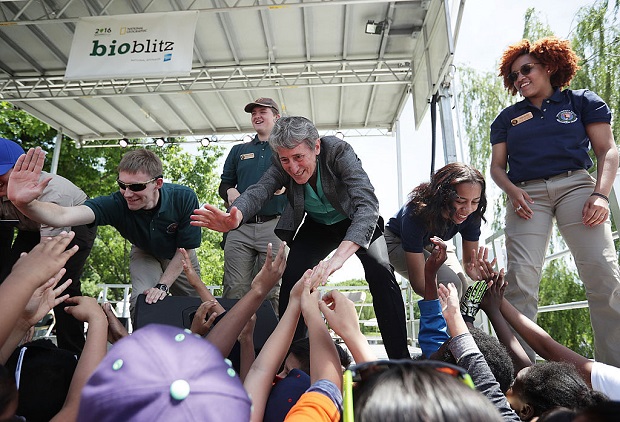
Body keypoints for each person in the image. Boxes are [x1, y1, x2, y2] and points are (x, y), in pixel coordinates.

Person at [192, 116, 410, 359]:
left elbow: (367, 205)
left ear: (316, 147)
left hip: (354, 218)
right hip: (317, 226)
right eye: (285, 160)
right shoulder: (281, 163)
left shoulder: (338, 151)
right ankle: (293, 359)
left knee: (380, 269)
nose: (293, 168)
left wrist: (337, 259)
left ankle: (400, 359)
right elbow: (260, 189)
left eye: (298, 157)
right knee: (293, 279)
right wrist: (237, 215)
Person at [489, 36, 620, 366]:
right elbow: (496, 167)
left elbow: (607, 151)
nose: (520, 79)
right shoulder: (507, 119)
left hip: (576, 186)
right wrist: (512, 191)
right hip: (526, 195)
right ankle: (523, 375)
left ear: (549, 66)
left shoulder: (581, 102)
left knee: (604, 275)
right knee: (520, 281)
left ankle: (614, 373)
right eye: (514, 76)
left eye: (526, 69)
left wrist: (600, 196)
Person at [7, 147, 202, 323]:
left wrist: (163, 286)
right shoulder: (116, 204)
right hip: (144, 251)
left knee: (193, 304)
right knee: (142, 300)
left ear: (158, 183)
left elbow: (185, 249)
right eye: (122, 185)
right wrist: (25, 204)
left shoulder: (184, 197)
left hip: (181, 254)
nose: (127, 193)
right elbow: (63, 215)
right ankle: (143, 353)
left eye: (136, 187)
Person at [0, 138, 96, 353]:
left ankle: (72, 354)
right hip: (29, 228)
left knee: (61, 285)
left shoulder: (53, 192)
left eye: (0, 178)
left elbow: (47, 260)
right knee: (9, 277)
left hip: (71, 222)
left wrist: (27, 313)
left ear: (21, 168)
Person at [219, 97, 287, 314]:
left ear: (276, 117)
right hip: (239, 227)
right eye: (253, 113)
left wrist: (286, 187)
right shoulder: (238, 150)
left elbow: (301, 179)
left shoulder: (287, 149)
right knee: (234, 288)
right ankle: (232, 343)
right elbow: (225, 183)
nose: (257, 116)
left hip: (274, 227)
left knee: (272, 290)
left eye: (263, 112)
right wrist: (229, 191)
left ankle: (269, 344)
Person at [384, 162, 488, 297]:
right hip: (397, 241)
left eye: (475, 202)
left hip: (434, 242)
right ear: (443, 196)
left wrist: (474, 271)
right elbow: (420, 284)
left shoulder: (472, 215)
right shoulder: (415, 213)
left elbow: (469, 261)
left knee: (463, 287)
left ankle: (461, 318)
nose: (468, 209)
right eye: (460, 201)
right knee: (451, 286)